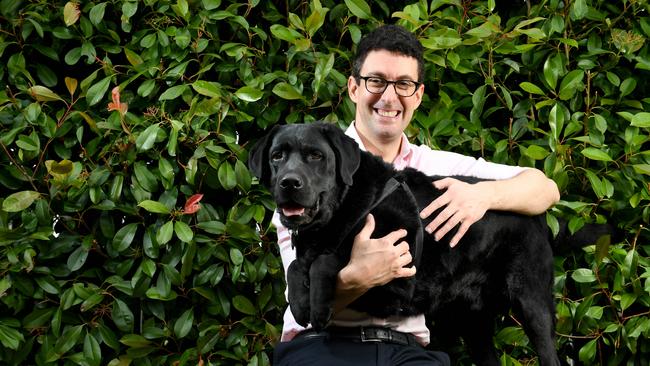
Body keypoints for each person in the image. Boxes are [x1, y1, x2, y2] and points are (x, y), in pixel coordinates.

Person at [272, 24, 560, 365]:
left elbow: (544, 188)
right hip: (321, 344)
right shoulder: (307, 177)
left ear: (418, 95)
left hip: (405, 349)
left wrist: (482, 196)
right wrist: (361, 275)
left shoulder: (436, 165)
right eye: (376, 81)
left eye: (403, 84)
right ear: (353, 88)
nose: (389, 97)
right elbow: (302, 303)